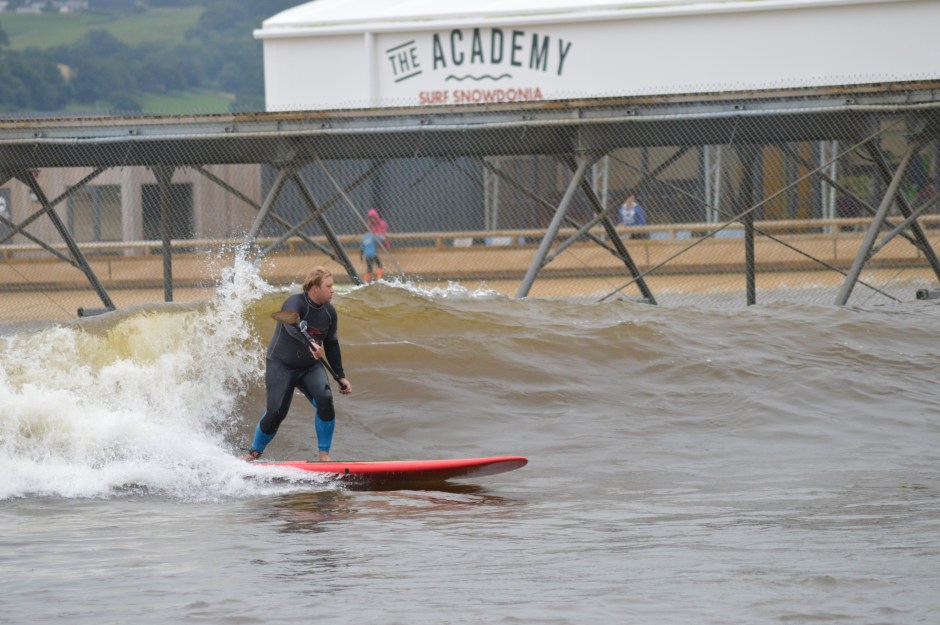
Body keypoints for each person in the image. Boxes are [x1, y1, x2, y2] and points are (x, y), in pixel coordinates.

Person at [244, 267, 352, 462]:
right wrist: (309, 341)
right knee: (276, 412)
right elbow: (290, 325)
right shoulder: (295, 303)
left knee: (325, 399)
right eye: (328, 286)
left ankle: (324, 456)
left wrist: (340, 375)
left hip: (310, 366)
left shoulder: (329, 312)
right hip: (281, 364)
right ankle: (253, 453)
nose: (333, 290)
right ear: (315, 288)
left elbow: (331, 343)